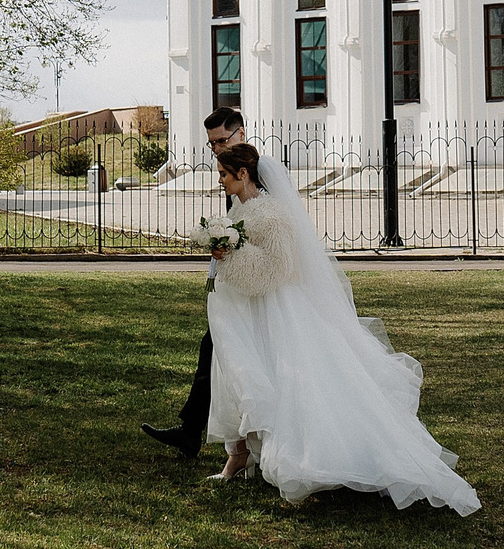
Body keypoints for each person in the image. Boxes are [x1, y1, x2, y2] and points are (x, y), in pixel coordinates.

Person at [199, 142, 478, 514]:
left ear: (243, 174)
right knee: (252, 376)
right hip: (251, 309)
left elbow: (283, 268)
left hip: (281, 309)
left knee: (294, 381)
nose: (219, 181)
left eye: (223, 174)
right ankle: (244, 456)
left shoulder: (273, 214)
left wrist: (234, 255)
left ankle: (319, 456)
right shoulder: (240, 209)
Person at [142, 106, 247, 458]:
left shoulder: (254, 171)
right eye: (211, 144)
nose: (216, 149)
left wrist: (233, 249)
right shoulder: (230, 172)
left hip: (255, 288)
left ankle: (208, 435)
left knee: (225, 354)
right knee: (213, 351)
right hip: (234, 282)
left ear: (240, 133)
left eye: (221, 141)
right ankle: (194, 431)